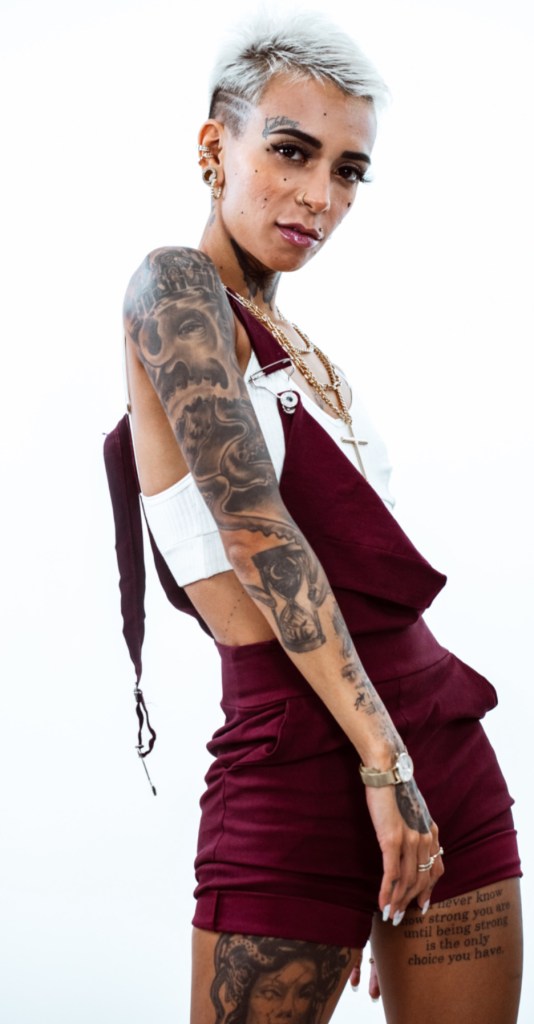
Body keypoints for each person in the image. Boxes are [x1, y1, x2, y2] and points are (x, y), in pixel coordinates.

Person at [104, 11, 523, 1023]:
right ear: (215, 144)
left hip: (441, 748)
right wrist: (384, 768)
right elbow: (258, 531)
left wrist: (407, 770)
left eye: (348, 171)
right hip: (302, 763)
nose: (319, 197)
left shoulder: (297, 343)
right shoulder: (175, 288)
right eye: (291, 152)